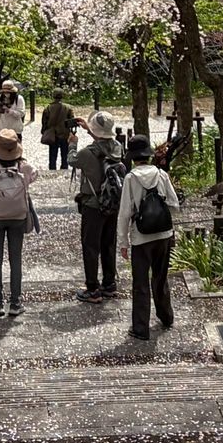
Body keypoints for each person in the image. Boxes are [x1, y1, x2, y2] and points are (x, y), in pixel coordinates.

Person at [118, 134, 179, 340]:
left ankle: (141, 328)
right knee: (161, 278)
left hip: (141, 238)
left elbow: (125, 212)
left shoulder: (130, 178)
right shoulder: (161, 174)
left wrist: (123, 242)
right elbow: (174, 203)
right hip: (163, 235)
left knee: (140, 283)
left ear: (133, 157)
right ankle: (166, 316)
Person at [0, 128, 36, 316]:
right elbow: (35, 175)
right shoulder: (23, 168)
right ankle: (15, 302)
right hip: (18, 216)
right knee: (16, 259)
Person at [73, 110, 124, 303]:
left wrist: (72, 142)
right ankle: (109, 284)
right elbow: (104, 141)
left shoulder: (87, 153)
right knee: (108, 243)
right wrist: (89, 129)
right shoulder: (118, 147)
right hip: (112, 202)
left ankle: (92, 288)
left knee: (90, 245)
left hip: (93, 204)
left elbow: (72, 160)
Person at [40, 93, 77, 171]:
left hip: (53, 134)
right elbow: (71, 121)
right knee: (64, 154)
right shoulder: (68, 107)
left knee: (52, 154)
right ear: (62, 96)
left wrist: (44, 131)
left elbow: (44, 121)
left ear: (53, 96)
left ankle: (52, 169)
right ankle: (64, 168)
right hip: (64, 134)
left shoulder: (48, 108)